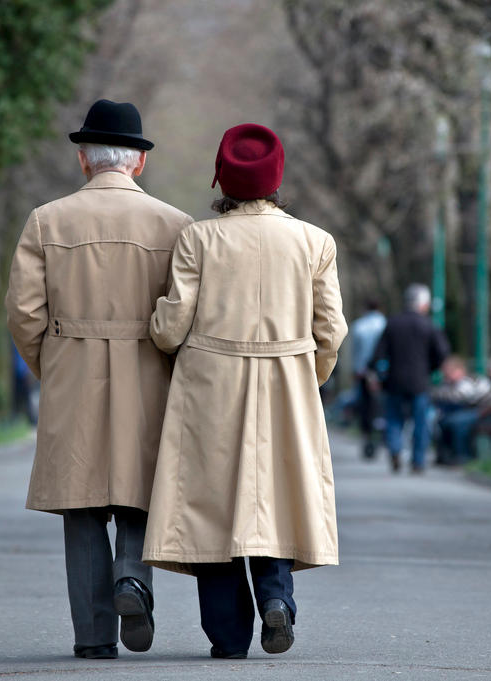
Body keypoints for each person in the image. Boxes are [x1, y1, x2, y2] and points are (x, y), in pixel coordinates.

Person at [143, 124, 347, 659]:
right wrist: (309, 376)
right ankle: (277, 600)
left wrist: (164, 335)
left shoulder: (198, 239)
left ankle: (229, 635)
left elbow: (170, 326)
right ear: (278, 179)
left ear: (223, 180)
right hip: (287, 381)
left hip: (211, 383)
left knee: (211, 505)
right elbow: (332, 329)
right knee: (274, 497)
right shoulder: (315, 241)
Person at [4, 99, 193, 659]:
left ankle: (92, 636)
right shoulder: (175, 224)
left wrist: (51, 364)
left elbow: (23, 312)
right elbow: (183, 313)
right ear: (137, 163)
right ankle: (132, 577)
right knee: (139, 492)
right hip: (148, 371)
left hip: (72, 367)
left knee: (82, 505)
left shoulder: (47, 219)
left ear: (85, 161)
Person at [368, 283, 450, 473]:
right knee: (420, 422)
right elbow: (442, 351)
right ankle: (418, 461)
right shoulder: (428, 325)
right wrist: (432, 367)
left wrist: (376, 373)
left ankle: (395, 450)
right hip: (420, 381)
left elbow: (378, 354)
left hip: (394, 381)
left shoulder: (393, 323)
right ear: (423, 304)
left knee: (394, 419)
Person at [431, 356, 491, 464]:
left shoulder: (470, 381)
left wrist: (435, 393)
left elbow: (458, 396)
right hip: (478, 411)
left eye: (450, 372)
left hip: (490, 413)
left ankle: (463, 456)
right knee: (443, 420)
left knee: (457, 422)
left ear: (460, 370)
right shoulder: (454, 383)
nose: (446, 375)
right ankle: (446, 455)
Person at [350, 300, 386, 459]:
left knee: (365, 406)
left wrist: (356, 370)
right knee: (380, 405)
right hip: (382, 371)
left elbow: (355, 351)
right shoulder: (385, 324)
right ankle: (380, 433)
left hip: (363, 372)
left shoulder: (359, 326)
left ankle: (367, 436)